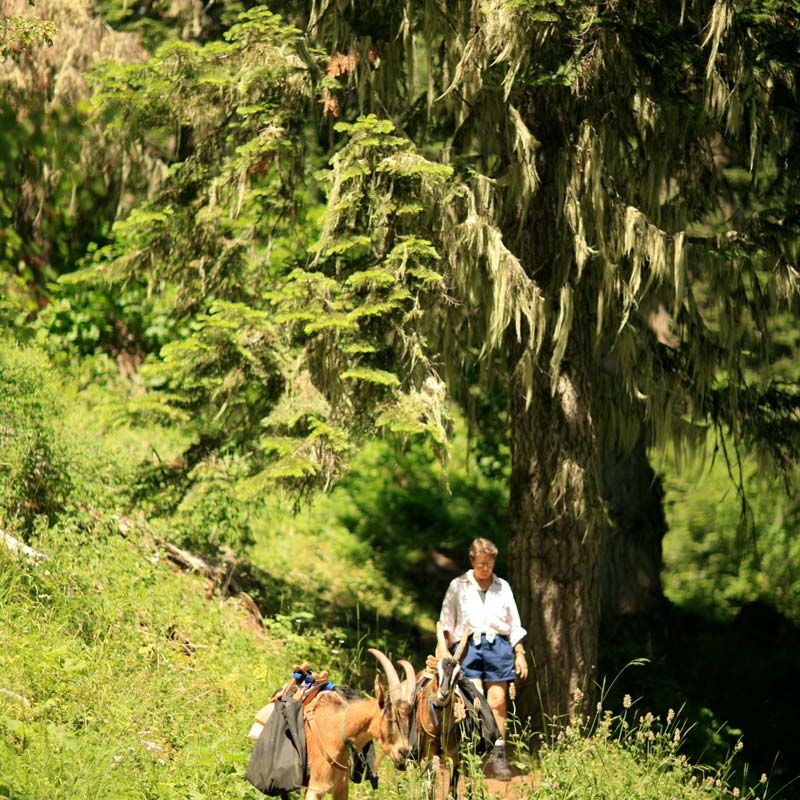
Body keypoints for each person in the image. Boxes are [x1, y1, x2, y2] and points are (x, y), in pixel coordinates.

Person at [439, 537, 528, 780]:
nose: (484, 568)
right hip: (467, 646)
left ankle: (498, 756)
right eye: (480, 564)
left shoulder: (503, 587)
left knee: (498, 700)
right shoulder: (458, 586)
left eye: (488, 564)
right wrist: (444, 655)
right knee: (474, 702)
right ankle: (474, 752)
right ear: (472, 561)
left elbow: (514, 624)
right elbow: (447, 623)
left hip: (498, 646)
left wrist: (519, 653)